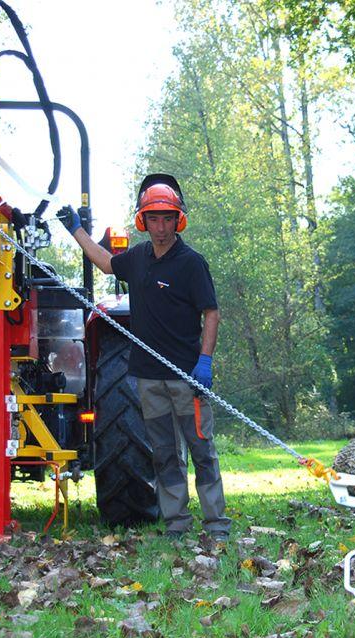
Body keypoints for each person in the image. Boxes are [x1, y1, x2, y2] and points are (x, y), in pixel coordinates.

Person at [58, 174, 231, 542]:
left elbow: (211, 313)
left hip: (187, 377)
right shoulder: (136, 258)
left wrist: (205, 362)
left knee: (201, 451)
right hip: (148, 379)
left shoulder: (191, 263)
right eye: (154, 219)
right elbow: (106, 263)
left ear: (178, 220)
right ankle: (177, 525)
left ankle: (216, 526)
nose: (161, 227)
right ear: (143, 221)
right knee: (165, 455)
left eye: (168, 218)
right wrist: (76, 231)